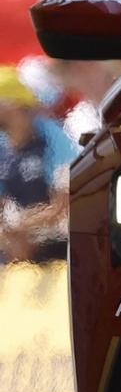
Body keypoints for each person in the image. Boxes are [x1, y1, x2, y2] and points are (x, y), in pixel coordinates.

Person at [0, 66, 77, 266]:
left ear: (14, 105)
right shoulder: (4, 150)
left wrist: (23, 225)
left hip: (59, 251)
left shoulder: (54, 140)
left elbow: (64, 206)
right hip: (19, 254)